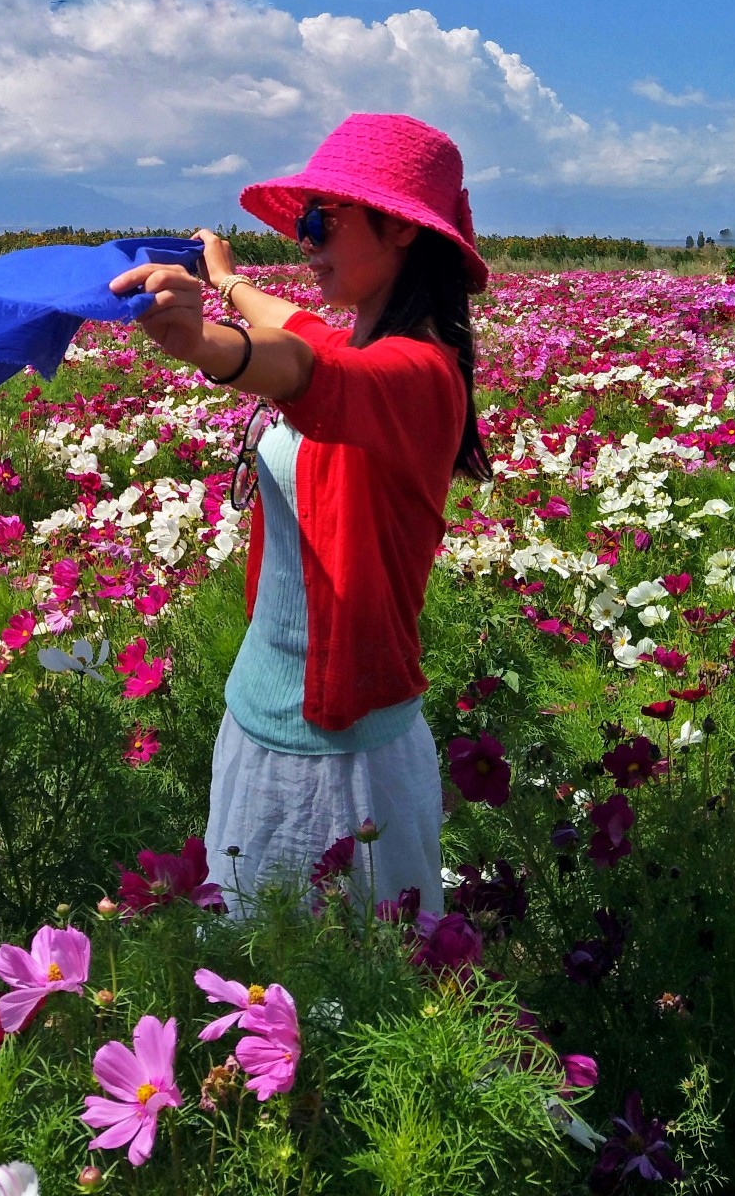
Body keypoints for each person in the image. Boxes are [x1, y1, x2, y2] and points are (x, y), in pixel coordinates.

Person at [108, 112, 490, 915]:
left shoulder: (418, 373)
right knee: (254, 975)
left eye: (323, 221)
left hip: (343, 756)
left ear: (401, 234)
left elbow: (310, 371)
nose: (306, 240)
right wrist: (227, 278)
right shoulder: (361, 338)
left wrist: (212, 346)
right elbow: (302, 329)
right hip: (258, 711)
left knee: (347, 990)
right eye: (303, 221)